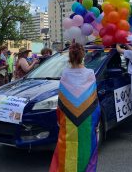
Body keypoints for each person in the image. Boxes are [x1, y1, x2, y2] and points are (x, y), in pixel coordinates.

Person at [50, 43, 100, 172]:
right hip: (87, 119)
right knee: (87, 148)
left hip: (68, 119)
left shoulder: (65, 73)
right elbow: (94, 100)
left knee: (66, 149)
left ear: (70, 57)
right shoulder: (90, 73)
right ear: (83, 56)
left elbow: (61, 100)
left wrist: (59, 118)